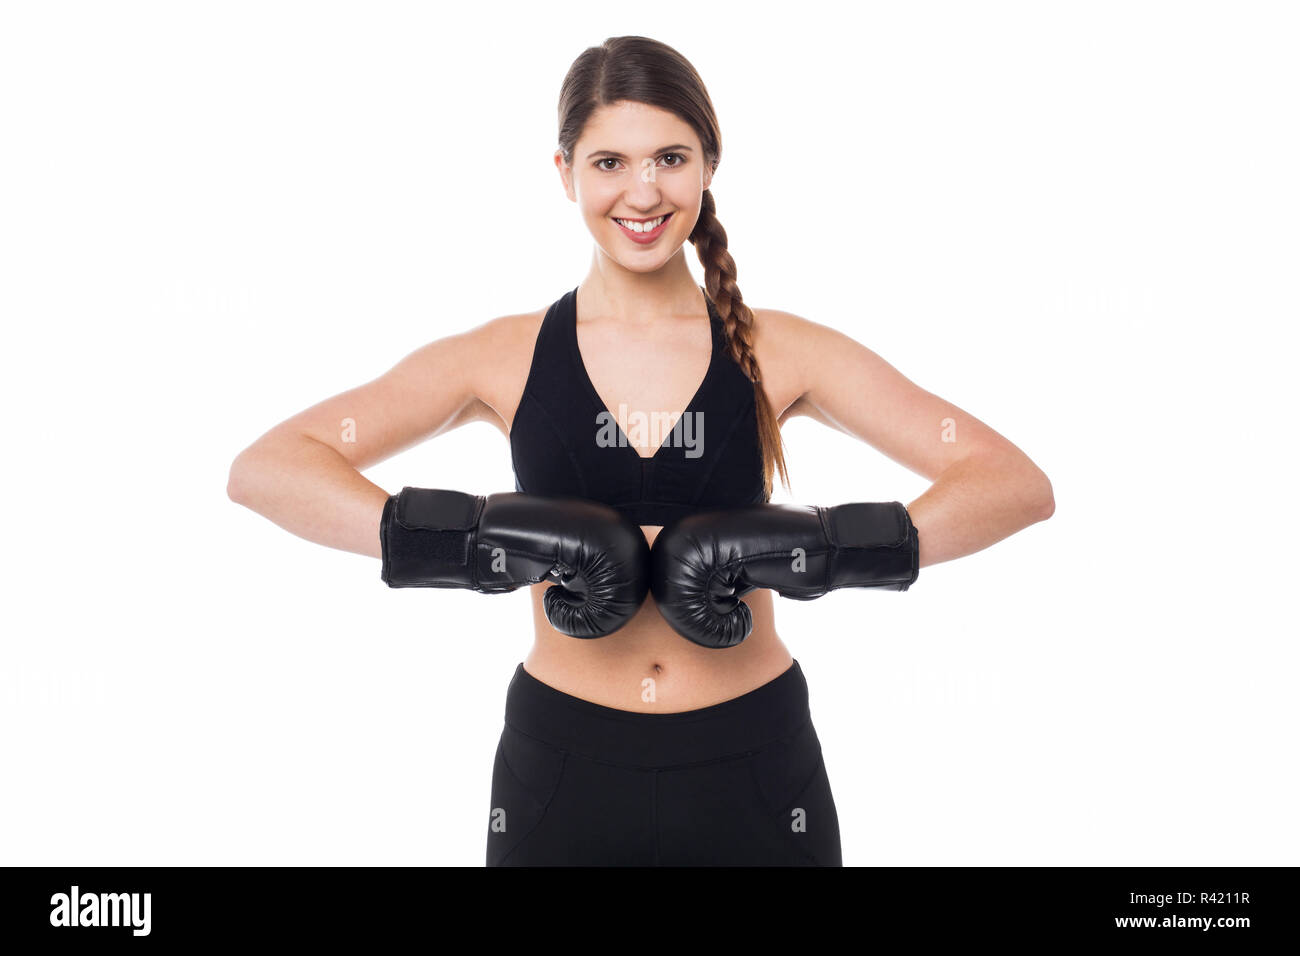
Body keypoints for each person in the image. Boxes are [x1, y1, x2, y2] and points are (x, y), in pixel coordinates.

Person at [227, 35, 1054, 866]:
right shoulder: (500, 356)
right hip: (562, 766)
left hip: (756, 764)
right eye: (610, 162)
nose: (644, 191)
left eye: (669, 157)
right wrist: (475, 540)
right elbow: (269, 467)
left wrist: (821, 550)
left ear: (707, 166)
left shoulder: (782, 350)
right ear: (565, 174)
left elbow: (1012, 483)